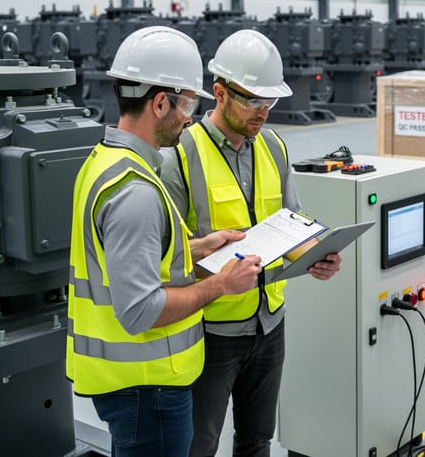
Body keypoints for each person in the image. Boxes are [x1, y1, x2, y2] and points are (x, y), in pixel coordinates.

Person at [66, 26, 264, 457]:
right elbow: (140, 310)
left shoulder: (104, 161)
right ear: (160, 102)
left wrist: (197, 247)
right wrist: (220, 285)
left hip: (134, 387)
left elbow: (124, 260)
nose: (189, 116)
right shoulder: (135, 190)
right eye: (187, 103)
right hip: (147, 388)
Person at [159, 29, 342, 457]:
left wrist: (316, 256)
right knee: (197, 445)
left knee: (257, 441)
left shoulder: (275, 148)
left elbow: (295, 223)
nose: (263, 112)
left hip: (269, 323)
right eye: (252, 101)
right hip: (211, 330)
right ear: (219, 93)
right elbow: (167, 253)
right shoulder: (180, 153)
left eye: (270, 101)